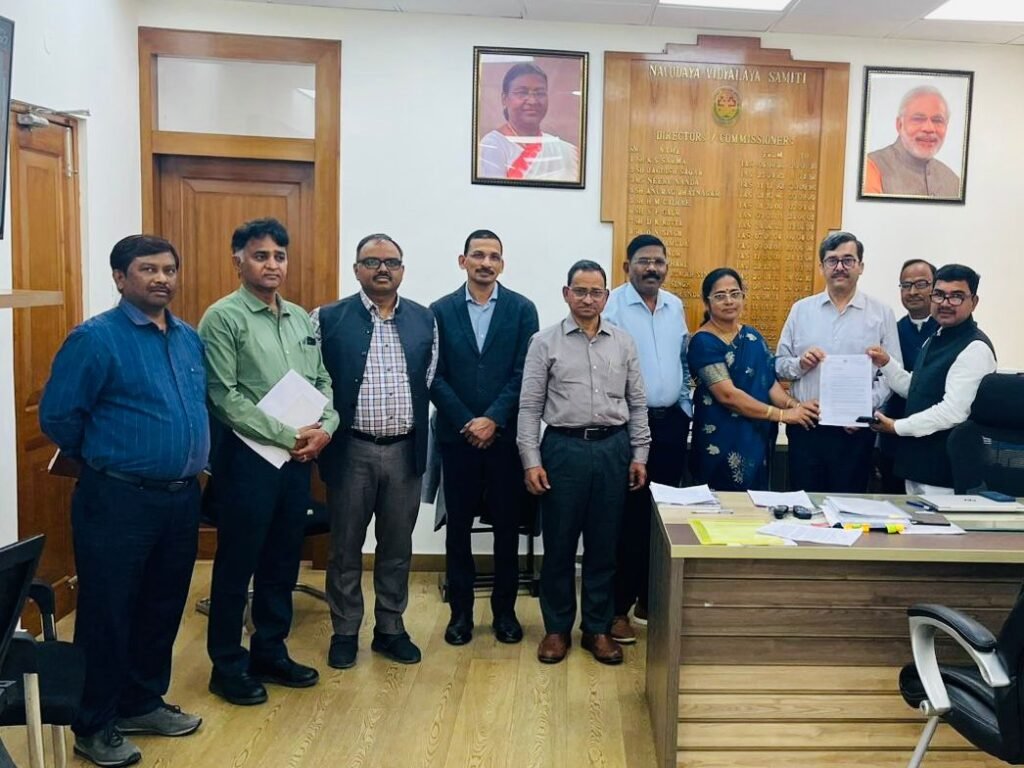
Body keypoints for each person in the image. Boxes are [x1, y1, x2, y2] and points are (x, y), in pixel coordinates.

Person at [39, 235, 209, 767]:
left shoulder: (187, 337)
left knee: (163, 605)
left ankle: (141, 702)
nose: (161, 279)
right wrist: (108, 457)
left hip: (181, 498)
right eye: (147, 269)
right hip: (117, 499)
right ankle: (93, 723)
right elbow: (58, 416)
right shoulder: (95, 339)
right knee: (107, 612)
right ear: (120, 277)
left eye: (169, 269)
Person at [200, 218, 338, 707]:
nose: (272, 265)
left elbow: (322, 381)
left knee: (282, 559)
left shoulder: (300, 318)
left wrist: (326, 429)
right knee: (237, 565)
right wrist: (286, 434)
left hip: (297, 461)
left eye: (279, 256)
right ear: (238, 261)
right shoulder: (222, 318)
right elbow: (223, 396)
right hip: (247, 461)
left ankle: (270, 652)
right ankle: (226, 665)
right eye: (261, 256)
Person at [314, 233, 438, 670]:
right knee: (345, 546)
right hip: (352, 451)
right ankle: (345, 630)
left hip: (405, 451)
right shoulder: (327, 318)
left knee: (397, 547)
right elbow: (313, 379)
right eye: (372, 262)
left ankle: (390, 628)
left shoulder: (425, 319)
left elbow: (429, 378)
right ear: (356, 270)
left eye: (392, 262)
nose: (383, 269)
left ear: (402, 269)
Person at [518, 260, 650, 666]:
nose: (588, 299)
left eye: (595, 292)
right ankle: (557, 629)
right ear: (566, 294)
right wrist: (531, 461)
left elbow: (637, 402)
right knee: (559, 544)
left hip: (613, 449)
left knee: (604, 546)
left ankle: (596, 628)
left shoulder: (623, 342)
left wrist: (639, 454)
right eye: (580, 291)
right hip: (564, 449)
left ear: (606, 297)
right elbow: (529, 407)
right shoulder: (544, 342)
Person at [430, 230, 539, 646]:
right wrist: (467, 422)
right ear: (463, 261)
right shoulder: (439, 311)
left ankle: (505, 613)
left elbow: (524, 373)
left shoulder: (522, 309)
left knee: (507, 529)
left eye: (494, 256)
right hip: (457, 440)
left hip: (505, 441)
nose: (486, 263)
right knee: (457, 529)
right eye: (478, 255)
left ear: (502, 264)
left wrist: (492, 419)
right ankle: (460, 615)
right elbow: (433, 375)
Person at [601, 234, 691, 644]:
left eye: (658, 261)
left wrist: (684, 405)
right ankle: (616, 609)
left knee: (662, 517)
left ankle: (649, 600)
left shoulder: (675, 306)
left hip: (670, 425)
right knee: (626, 520)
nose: (651, 268)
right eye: (643, 261)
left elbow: (682, 360)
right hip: (628, 427)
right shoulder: (612, 307)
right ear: (627, 267)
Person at [776, 231, 901, 493]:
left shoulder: (881, 313)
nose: (840, 267)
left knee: (849, 504)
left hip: (854, 430)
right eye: (832, 260)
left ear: (861, 266)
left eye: (848, 260)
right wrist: (801, 364)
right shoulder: (801, 310)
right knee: (805, 502)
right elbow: (779, 365)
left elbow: (891, 373)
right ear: (821, 267)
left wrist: (864, 407)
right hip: (807, 425)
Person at [868, 264, 996, 493]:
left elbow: (953, 412)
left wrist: (897, 426)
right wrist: (886, 363)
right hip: (918, 465)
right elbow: (916, 388)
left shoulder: (974, 348)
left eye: (956, 296)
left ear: (974, 302)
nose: (945, 303)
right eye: (939, 294)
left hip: (945, 472)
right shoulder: (936, 337)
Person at [688, 268, 819, 492]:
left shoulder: (752, 337)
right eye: (720, 296)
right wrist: (782, 415)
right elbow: (728, 395)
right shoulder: (703, 342)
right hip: (719, 441)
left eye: (735, 294)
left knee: (755, 505)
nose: (729, 301)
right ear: (707, 301)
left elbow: (769, 384)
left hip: (755, 439)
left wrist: (796, 406)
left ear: (743, 297)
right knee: (722, 506)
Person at [877, 259, 939, 492]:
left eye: (921, 284)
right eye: (906, 285)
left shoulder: (947, 331)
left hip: (934, 438)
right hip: (893, 436)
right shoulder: (891, 330)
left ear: (935, 288)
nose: (913, 292)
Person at [478, 62, 579, 182]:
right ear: (504, 99)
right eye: (522, 93)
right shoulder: (493, 145)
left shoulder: (565, 151)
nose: (532, 101)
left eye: (540, 93)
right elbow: (493, 192)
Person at [863, 86, 961, 198]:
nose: (929, 128)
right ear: (899, 125)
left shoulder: (954, 182)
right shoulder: (870, 168)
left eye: (937, 120)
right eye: (918, 119)